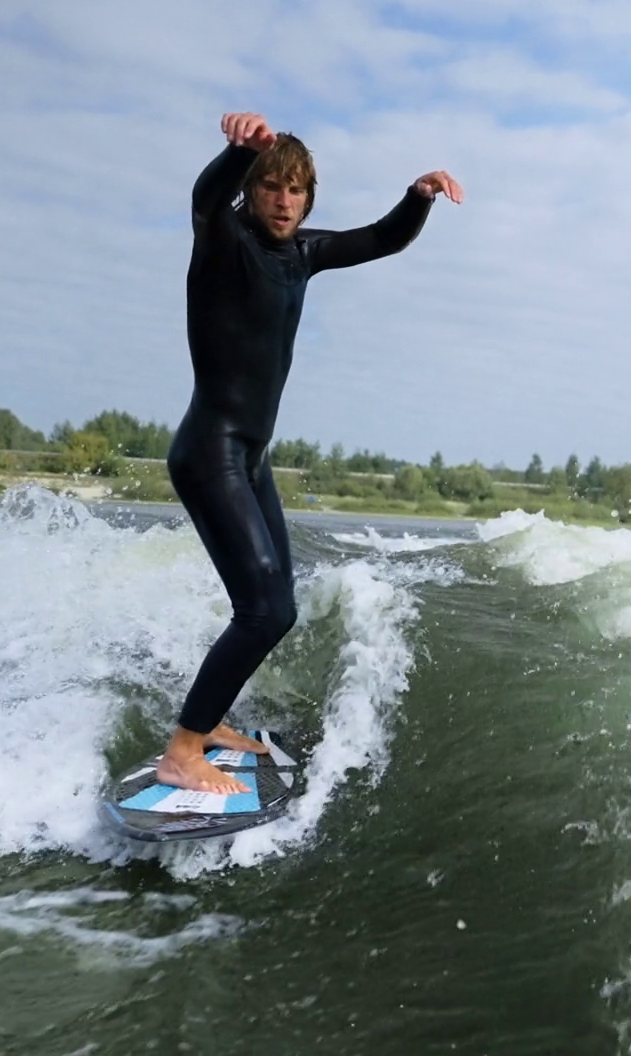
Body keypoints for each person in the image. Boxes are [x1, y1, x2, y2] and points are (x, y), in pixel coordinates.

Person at [157, 112, 462, 794]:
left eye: (296, 189)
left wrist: (418, 196)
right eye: (272, 186)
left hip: (251, 459)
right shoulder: (224, 239)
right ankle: (182, 750)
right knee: (266, 612)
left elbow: (382, 238)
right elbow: (206, 199)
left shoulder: (302, 254)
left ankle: (206, 722)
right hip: (210, 452)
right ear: (253, 189)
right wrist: (239, 153)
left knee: (271, 606)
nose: (284, 200)